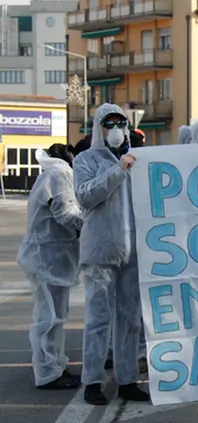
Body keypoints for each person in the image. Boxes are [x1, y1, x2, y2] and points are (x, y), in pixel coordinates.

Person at [73, 103, 149, 405]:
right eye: (109, 123)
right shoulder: (86, 159)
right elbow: (85, 196)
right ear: (98, 128)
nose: (115, 129)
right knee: (98, 319)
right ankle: (92, 380)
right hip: (101, 250)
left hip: (132, 252)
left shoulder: (140, 160)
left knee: (130, 319)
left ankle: (127, 379)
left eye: (120, 123)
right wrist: (118, 171)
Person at [17, 144, 84, 390]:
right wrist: (94, 226)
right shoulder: (58, 174)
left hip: (51, 258)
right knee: (49, 318)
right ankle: (48, 372)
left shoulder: (55, 174)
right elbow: (65, 213)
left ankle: (55, 364)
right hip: (47, 259)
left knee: (56, 315)